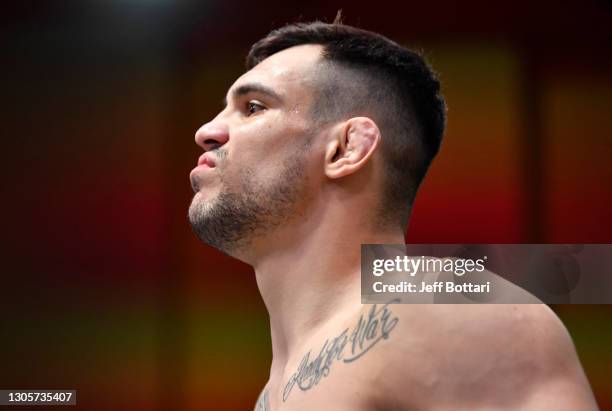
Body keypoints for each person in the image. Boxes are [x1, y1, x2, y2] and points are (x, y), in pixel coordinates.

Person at [188, 15, 598, 411]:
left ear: (346, 148)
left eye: (254, 107)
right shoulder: (276, 386)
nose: (206, 131)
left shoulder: (458, 313)